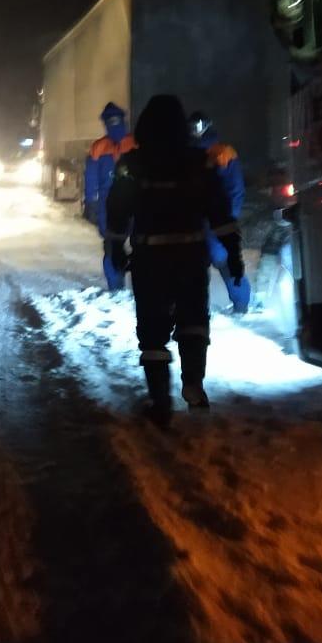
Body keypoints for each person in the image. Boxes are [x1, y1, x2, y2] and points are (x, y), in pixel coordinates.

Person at [105, 95, 243, 423]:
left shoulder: (131, 164)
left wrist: (114, 250)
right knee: (193, 320)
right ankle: (193, 384)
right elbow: (221, 213)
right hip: (191, 255)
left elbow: (117, 213)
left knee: (152, 331)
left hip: (149, 258)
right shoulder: (201, 162)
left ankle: (160, 401)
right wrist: (233, 254)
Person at [187, 110, 252, 314]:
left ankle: (241, 305)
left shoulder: (224, 152)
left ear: (207, 126)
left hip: (217, 220)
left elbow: (236, 189)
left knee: (224, 259)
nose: (196, 131)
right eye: (192, 127)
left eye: (199, 126)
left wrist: (228, 218)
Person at [83, 102, 136, 289]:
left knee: (113, 247)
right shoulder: (135, 143)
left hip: (111, 206)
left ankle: (117, 288)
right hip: (131, 204)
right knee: (136, 246)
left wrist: (91, 203)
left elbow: (91, 179)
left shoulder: (99, 147)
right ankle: (133, 289)